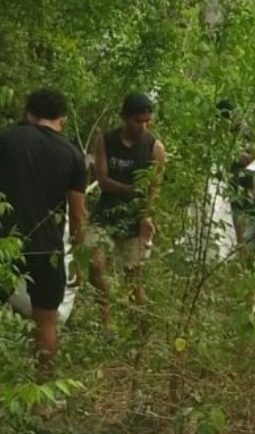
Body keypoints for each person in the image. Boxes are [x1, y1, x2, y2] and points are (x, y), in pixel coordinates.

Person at [0, 88, 87, 370]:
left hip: (4, 243)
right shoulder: (74, 155)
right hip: (48, 248)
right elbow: (77, 213)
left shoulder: (6, 137)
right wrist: (77, 255)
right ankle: (42, 387)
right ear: (63, 119)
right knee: (46, 320)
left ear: (28, 114)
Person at [88, 92, 166, 319]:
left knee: (133, 277)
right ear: (125, 118)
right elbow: (103, 179)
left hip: (135, 216)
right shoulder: (106, 141)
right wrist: (132, 190)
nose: (143, 126)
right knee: (95, 265)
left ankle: (138, 326)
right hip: (106, 213)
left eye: (147, 121)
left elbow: (154, 187)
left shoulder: (154, 147)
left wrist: (146, 216)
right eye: (137, 121)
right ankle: (105, 315)